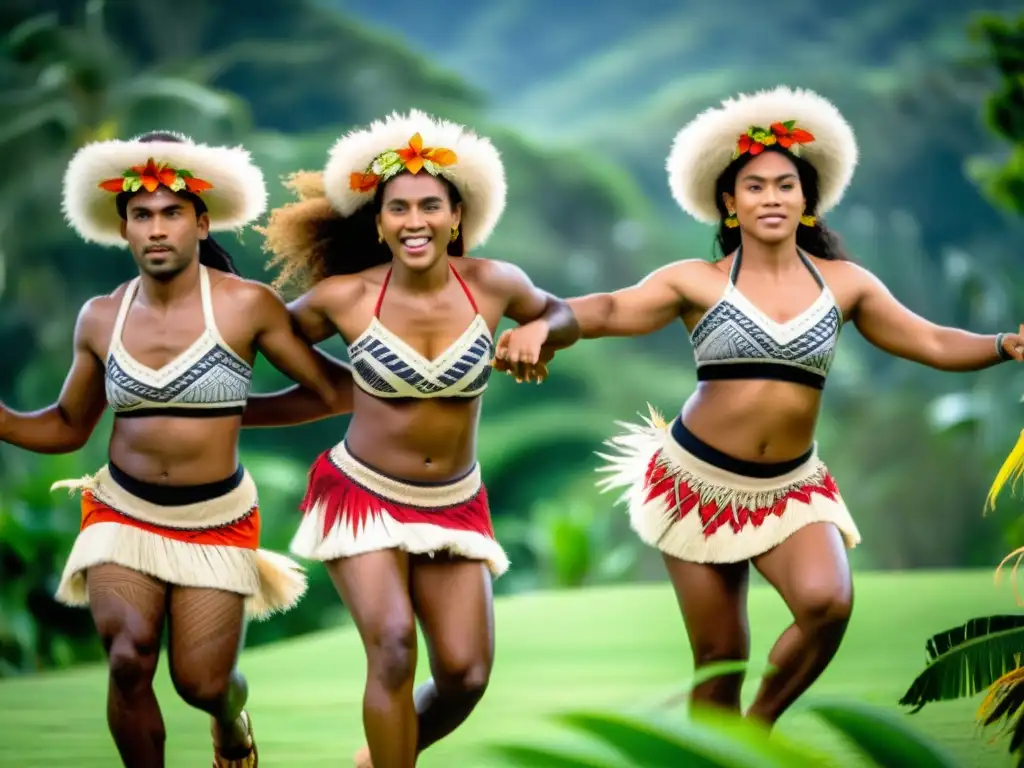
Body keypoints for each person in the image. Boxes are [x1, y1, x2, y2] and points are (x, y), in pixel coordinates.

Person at [496, 85, 1024, 725]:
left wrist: (1003, 343)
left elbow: (934, 340)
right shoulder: (694, 280)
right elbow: (607, 308)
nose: (770, 198)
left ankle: (759, 729)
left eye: (784, 185)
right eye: (754, 187)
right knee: (722, 657)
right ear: (729, 202)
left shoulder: (847, 285)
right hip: (695, 482)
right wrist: (541, 327)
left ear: (807, 200)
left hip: (792, 487)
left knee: (827, 604)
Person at [0, 130, 348, 767]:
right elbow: (68, 427)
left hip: (215, 519)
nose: (156, 229)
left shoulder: (248, 307)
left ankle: (231, 720)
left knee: (203, 683)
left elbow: (334, 393)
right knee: (128, 659)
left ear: (200, 221)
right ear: (123, 227)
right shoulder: (100, 316)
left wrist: (233, 412)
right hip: (120, 511)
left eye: (171, 214)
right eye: (141, 216)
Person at [243, 109, 579, 767]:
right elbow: (252, 337)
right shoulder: (343, 298)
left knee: (465, 675)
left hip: (456, 501)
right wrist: (229, 411)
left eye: (431, 205)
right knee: (394, 645)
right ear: (378, 221)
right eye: (399, 208)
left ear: (458, 216)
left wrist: (541, 331)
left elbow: (560, 313)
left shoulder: (493, 284)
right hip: (362, 493)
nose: (415, 220)